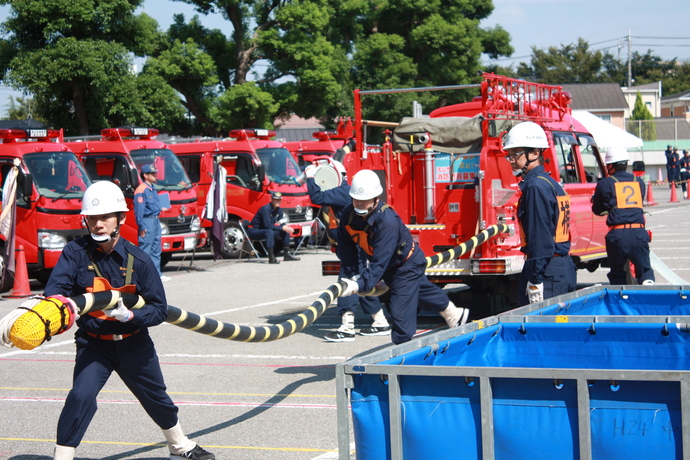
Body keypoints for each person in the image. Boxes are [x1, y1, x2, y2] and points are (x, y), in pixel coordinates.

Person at [44, 181, 214, 460]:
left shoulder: (140, 261)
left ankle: (179, 445)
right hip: (94, 344)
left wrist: (131, 315)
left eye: (105, 217)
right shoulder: (74, 253)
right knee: (81, 396)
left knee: (156, 397)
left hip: (134, 343)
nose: (98, 224)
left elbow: (160, 310)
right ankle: (62, 456)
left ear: (121, 218)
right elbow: (55, 293)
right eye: (92, 218)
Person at [336, 169, 469, 345]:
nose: (359, 204)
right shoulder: (348, 215)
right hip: (390, 266)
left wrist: (361, 284)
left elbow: (379, 261)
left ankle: (403, 353)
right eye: (356, 200)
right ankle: (454, 313)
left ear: (376, 198)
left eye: (364, 200)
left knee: (399, 311)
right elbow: (346, 247)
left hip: (405, 265)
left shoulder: (387, 222)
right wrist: (352, 273)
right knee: (422, 291)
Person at [304, 160, 391, 342]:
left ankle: (347, 327)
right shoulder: (344, 192)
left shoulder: (342, 192)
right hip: (353, 244)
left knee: (347, 280)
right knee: (360, 281)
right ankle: (380, 321)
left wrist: (310, 176)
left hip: (354, 247)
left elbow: (316, 197)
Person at [503, 121, 577, 306]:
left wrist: (535, 279)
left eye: (516, 154)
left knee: (543, 333)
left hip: (547, 271)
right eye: (509, 155)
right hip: (560, 267)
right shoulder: (550, 182)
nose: (511, 159)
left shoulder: (535, 187)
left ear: (535, 153)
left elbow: (540, 237)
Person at [591, 146, 655, 285]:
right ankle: (648, 287)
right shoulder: (638, 182)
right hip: (638, 231)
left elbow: (597, 210)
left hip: (617, 233)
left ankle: (621, 301)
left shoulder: (605, 183)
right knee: (645, 271)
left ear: (610, 165)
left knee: (617, 275)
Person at [134, 164, 170, 282]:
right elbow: (139, 210)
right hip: (147, 221)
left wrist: (160, 208)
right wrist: (141, 225)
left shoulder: (152, 188)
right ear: (145, 175)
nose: (155, 175)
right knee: (145, 249)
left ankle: (157, 274)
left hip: (155, 220)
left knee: (156, 248)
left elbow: (154, 205)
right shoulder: (141, 190)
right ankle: (143, 276)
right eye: (152, 173)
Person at [247, 191, 300, 264]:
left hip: (265, 230)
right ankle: (271, 257)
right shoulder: (265, 209)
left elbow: (281, 221)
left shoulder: (278, 209)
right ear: (271, 199)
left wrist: (285, 226)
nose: (277, 201)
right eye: (275, 199)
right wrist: (282, 228)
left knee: (285, 231)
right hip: (255, 230)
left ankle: (287, 254)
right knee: (270, 232)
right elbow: (267, 225)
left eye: (279, 199)